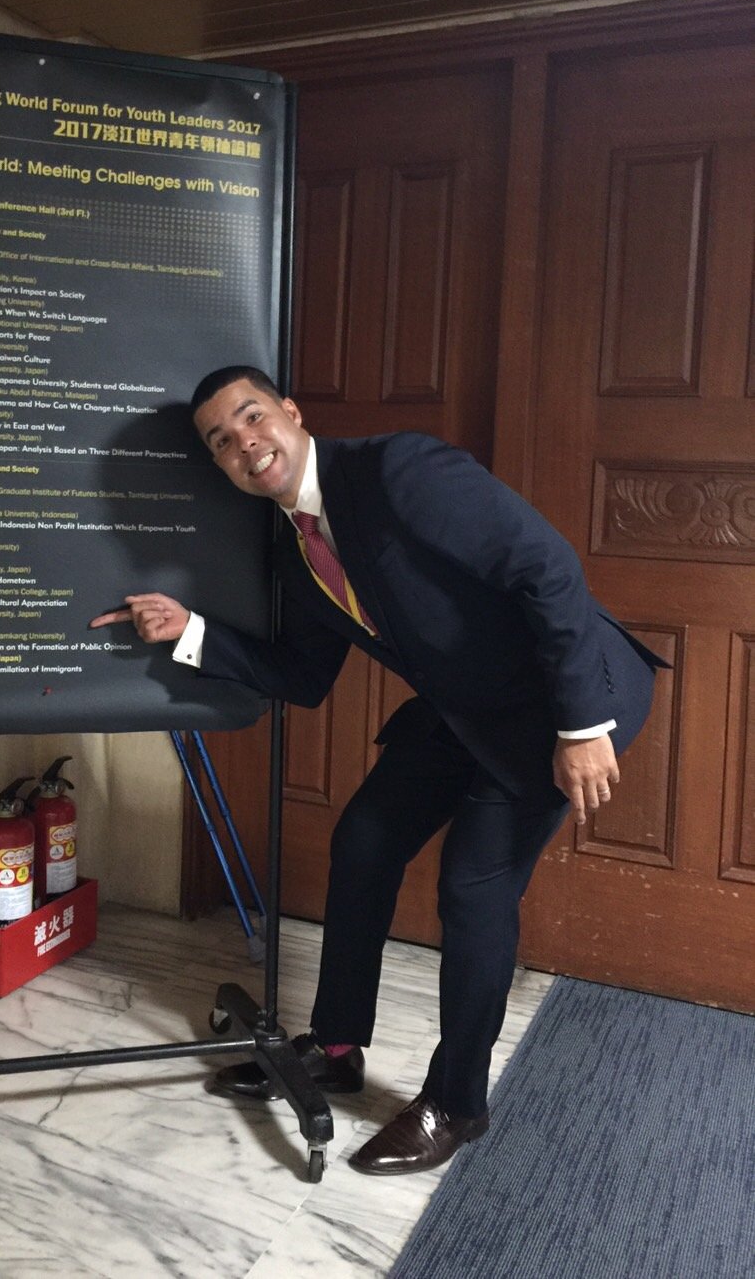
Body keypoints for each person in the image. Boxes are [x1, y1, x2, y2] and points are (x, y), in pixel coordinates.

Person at [90, 366, 663, 1176]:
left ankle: (458, 1103)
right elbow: (305, 678)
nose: (245, 443)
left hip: (555, 701)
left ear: (290, 414)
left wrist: (579, 725)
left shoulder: (399, 471)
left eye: (252, 418)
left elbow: (548, 566)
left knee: (473, 889)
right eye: (222, 440)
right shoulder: (295, 548)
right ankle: (335, 1047)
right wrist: (191, 631)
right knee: (363, 841)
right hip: (462, 707)